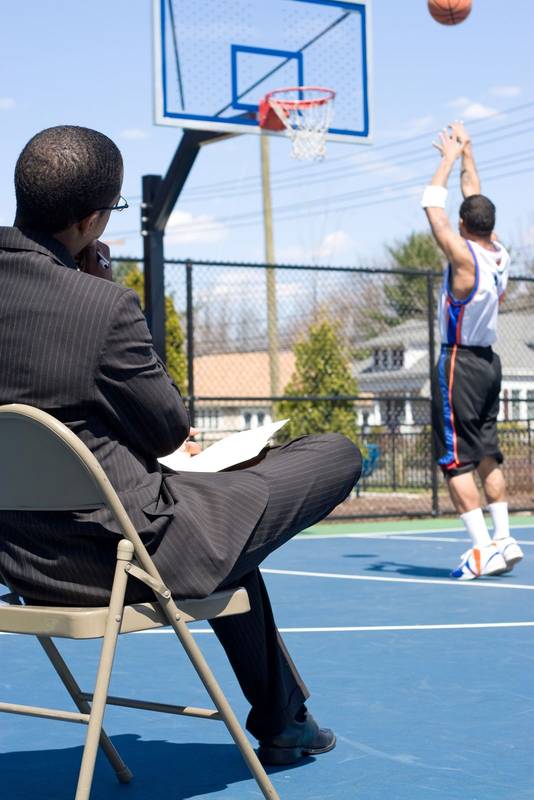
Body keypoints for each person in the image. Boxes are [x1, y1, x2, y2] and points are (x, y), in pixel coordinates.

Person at [0, 126, 362, 765]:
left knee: (231, 530)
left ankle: (285, 719)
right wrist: (100, 285)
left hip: (19, 561)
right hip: (127, 559)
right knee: (335, 452)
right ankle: (283, 722)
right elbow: (170, 429)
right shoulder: (99, 306)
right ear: (89, 222)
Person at [422, 121, 523, 580]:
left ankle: (482, 550)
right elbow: (474, 196)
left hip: (459, 362)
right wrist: (469, 151)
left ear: (464, 225)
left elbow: (433, 208)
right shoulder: (499, 253)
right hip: (489, 362)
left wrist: (448, 157)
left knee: (455, 458)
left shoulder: (463, 258)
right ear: (490, 225)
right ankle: (503, 538)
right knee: (487, 452)